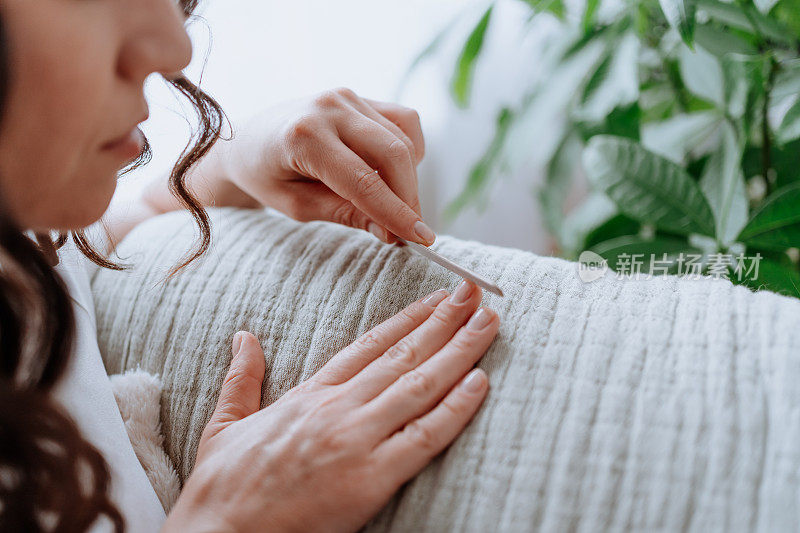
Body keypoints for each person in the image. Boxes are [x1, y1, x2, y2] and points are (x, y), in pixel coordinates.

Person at [0, 1, 500, 531]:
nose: (176, 48)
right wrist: (221, 520)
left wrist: (244, 157)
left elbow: (132, 220)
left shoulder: (27, 242)